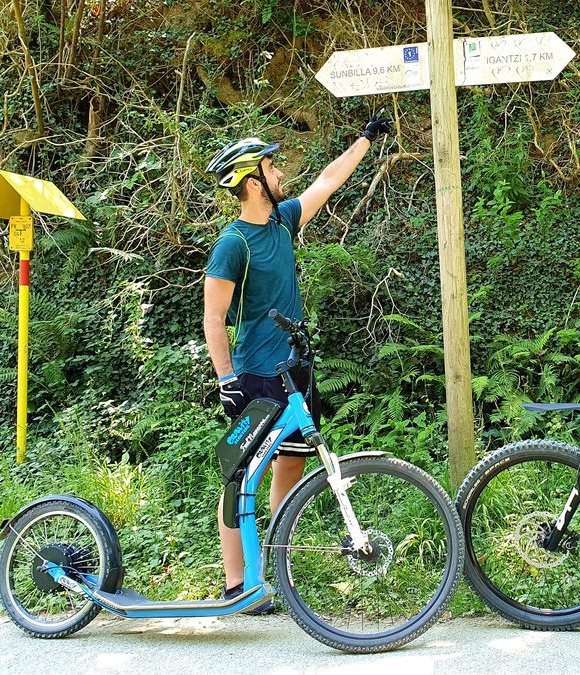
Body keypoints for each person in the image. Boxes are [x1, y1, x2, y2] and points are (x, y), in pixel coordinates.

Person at [202, 110, 393, 607]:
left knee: (290, 464)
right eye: (271, 167)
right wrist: (226, 379)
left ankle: (276, 563)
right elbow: (213, 317)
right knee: (240, 477)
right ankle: (237, 584)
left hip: (295, 369)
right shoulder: (232, 244)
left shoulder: (283, 222)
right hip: (255, 374)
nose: (280, 173)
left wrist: (364, 141)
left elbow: (327, 182)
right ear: (251, 181)